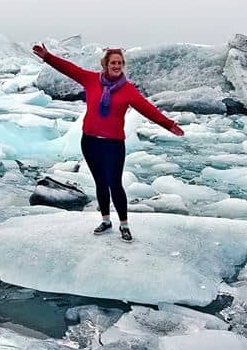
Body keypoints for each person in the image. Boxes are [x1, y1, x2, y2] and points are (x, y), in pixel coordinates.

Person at [33, 43, 184, 242]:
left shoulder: (127, 89)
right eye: (113, 62)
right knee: (101, 183)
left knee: (115, 184)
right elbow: (69, 69)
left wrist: (168, 124)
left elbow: (147, 108)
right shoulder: (91, 80)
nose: (116, 66)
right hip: (90, 142)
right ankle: (105, 220)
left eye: (120, 63)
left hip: (113, 144)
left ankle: (124, 224)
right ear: (105, 64)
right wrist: (48, 57)